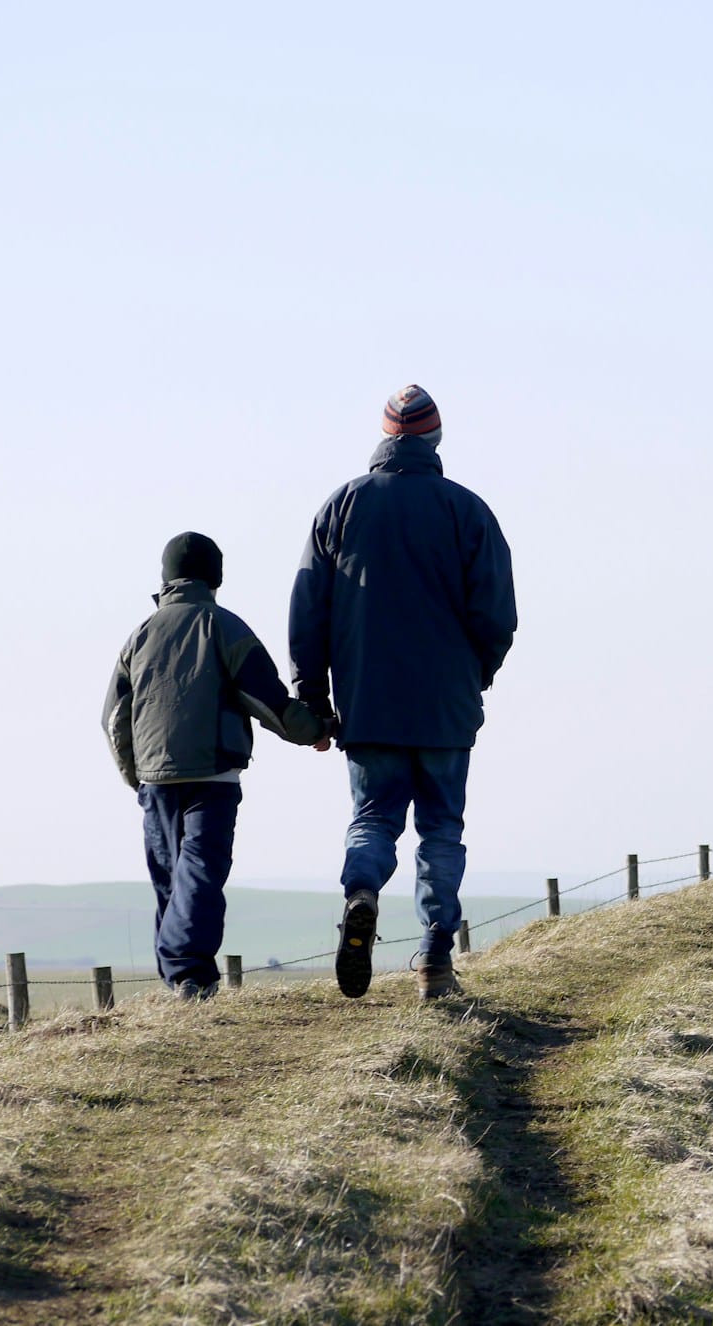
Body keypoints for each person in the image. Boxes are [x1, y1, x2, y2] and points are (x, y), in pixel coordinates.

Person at [289, 384, 517, 1001]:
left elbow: (309, 611)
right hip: (445, 707)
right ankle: (435, 958)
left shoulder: (341, 506)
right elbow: (497, 614)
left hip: (369, 704)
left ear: (384, 438)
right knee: (441, 830)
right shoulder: (467, 511)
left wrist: (314, 699)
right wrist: (476, 675)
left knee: (373, 819)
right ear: (435, 440)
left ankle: (361, 893)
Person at [103, 532, 325, 999]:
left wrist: (135, 775)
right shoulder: (223, 626)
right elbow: (268, 700)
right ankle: (191, 977)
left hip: (155, 779)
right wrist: (315, 731)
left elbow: (113, 718)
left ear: (166, 578)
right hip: (213, 775)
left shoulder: (139, 635)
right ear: (216, 576)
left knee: (170, 879)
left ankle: (177, 979)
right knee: (200, 873)